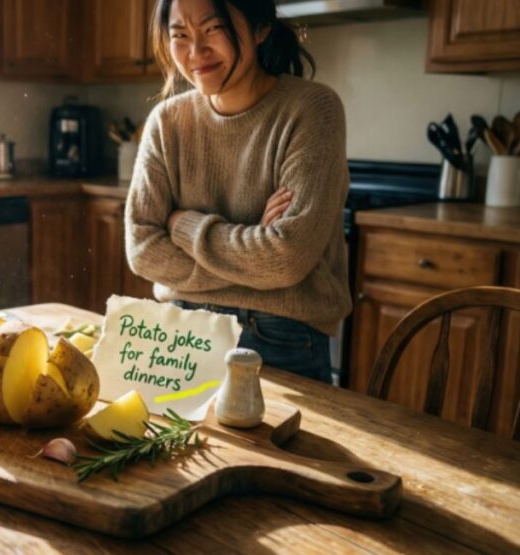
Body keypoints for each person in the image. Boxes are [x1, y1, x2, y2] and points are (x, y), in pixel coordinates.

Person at [125, 0, 352, 383]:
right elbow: (143, 250)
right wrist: (252, 248)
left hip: (277, 338)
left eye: (213, 29)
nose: (195, 51)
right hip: (181, 331)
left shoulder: (313, 109)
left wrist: (183, 226)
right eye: (180, 35)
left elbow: (286, 258)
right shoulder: (167, 122)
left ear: (261, 28)